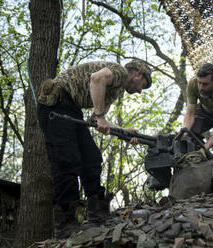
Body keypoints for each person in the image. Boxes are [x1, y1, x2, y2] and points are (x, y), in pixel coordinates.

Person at [37, 60, 152, 238]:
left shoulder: (114, 90)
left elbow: (96, 121)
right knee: (66, 161)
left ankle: (98, 214)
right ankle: (65, 223)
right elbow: (96, 79)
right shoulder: (119, 72)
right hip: (56, 104)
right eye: (142, 86)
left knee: (91, 158)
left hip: (72, 110)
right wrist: (99, 116)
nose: (139, 91)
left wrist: (124, 132)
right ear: (137, 73)